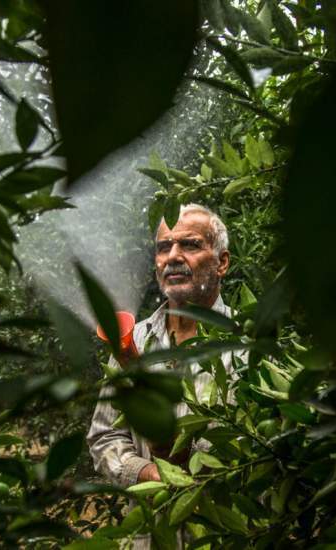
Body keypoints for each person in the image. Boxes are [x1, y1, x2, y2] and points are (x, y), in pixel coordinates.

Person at [87, 204, 239, 546]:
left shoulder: (248, 345)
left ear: (222, 262)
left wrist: (189, 470)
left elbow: (243, 453)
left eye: (190, 244)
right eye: (162, 247)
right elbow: (103, 438)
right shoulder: (134, 341)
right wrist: (147, 472)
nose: (172, 256)